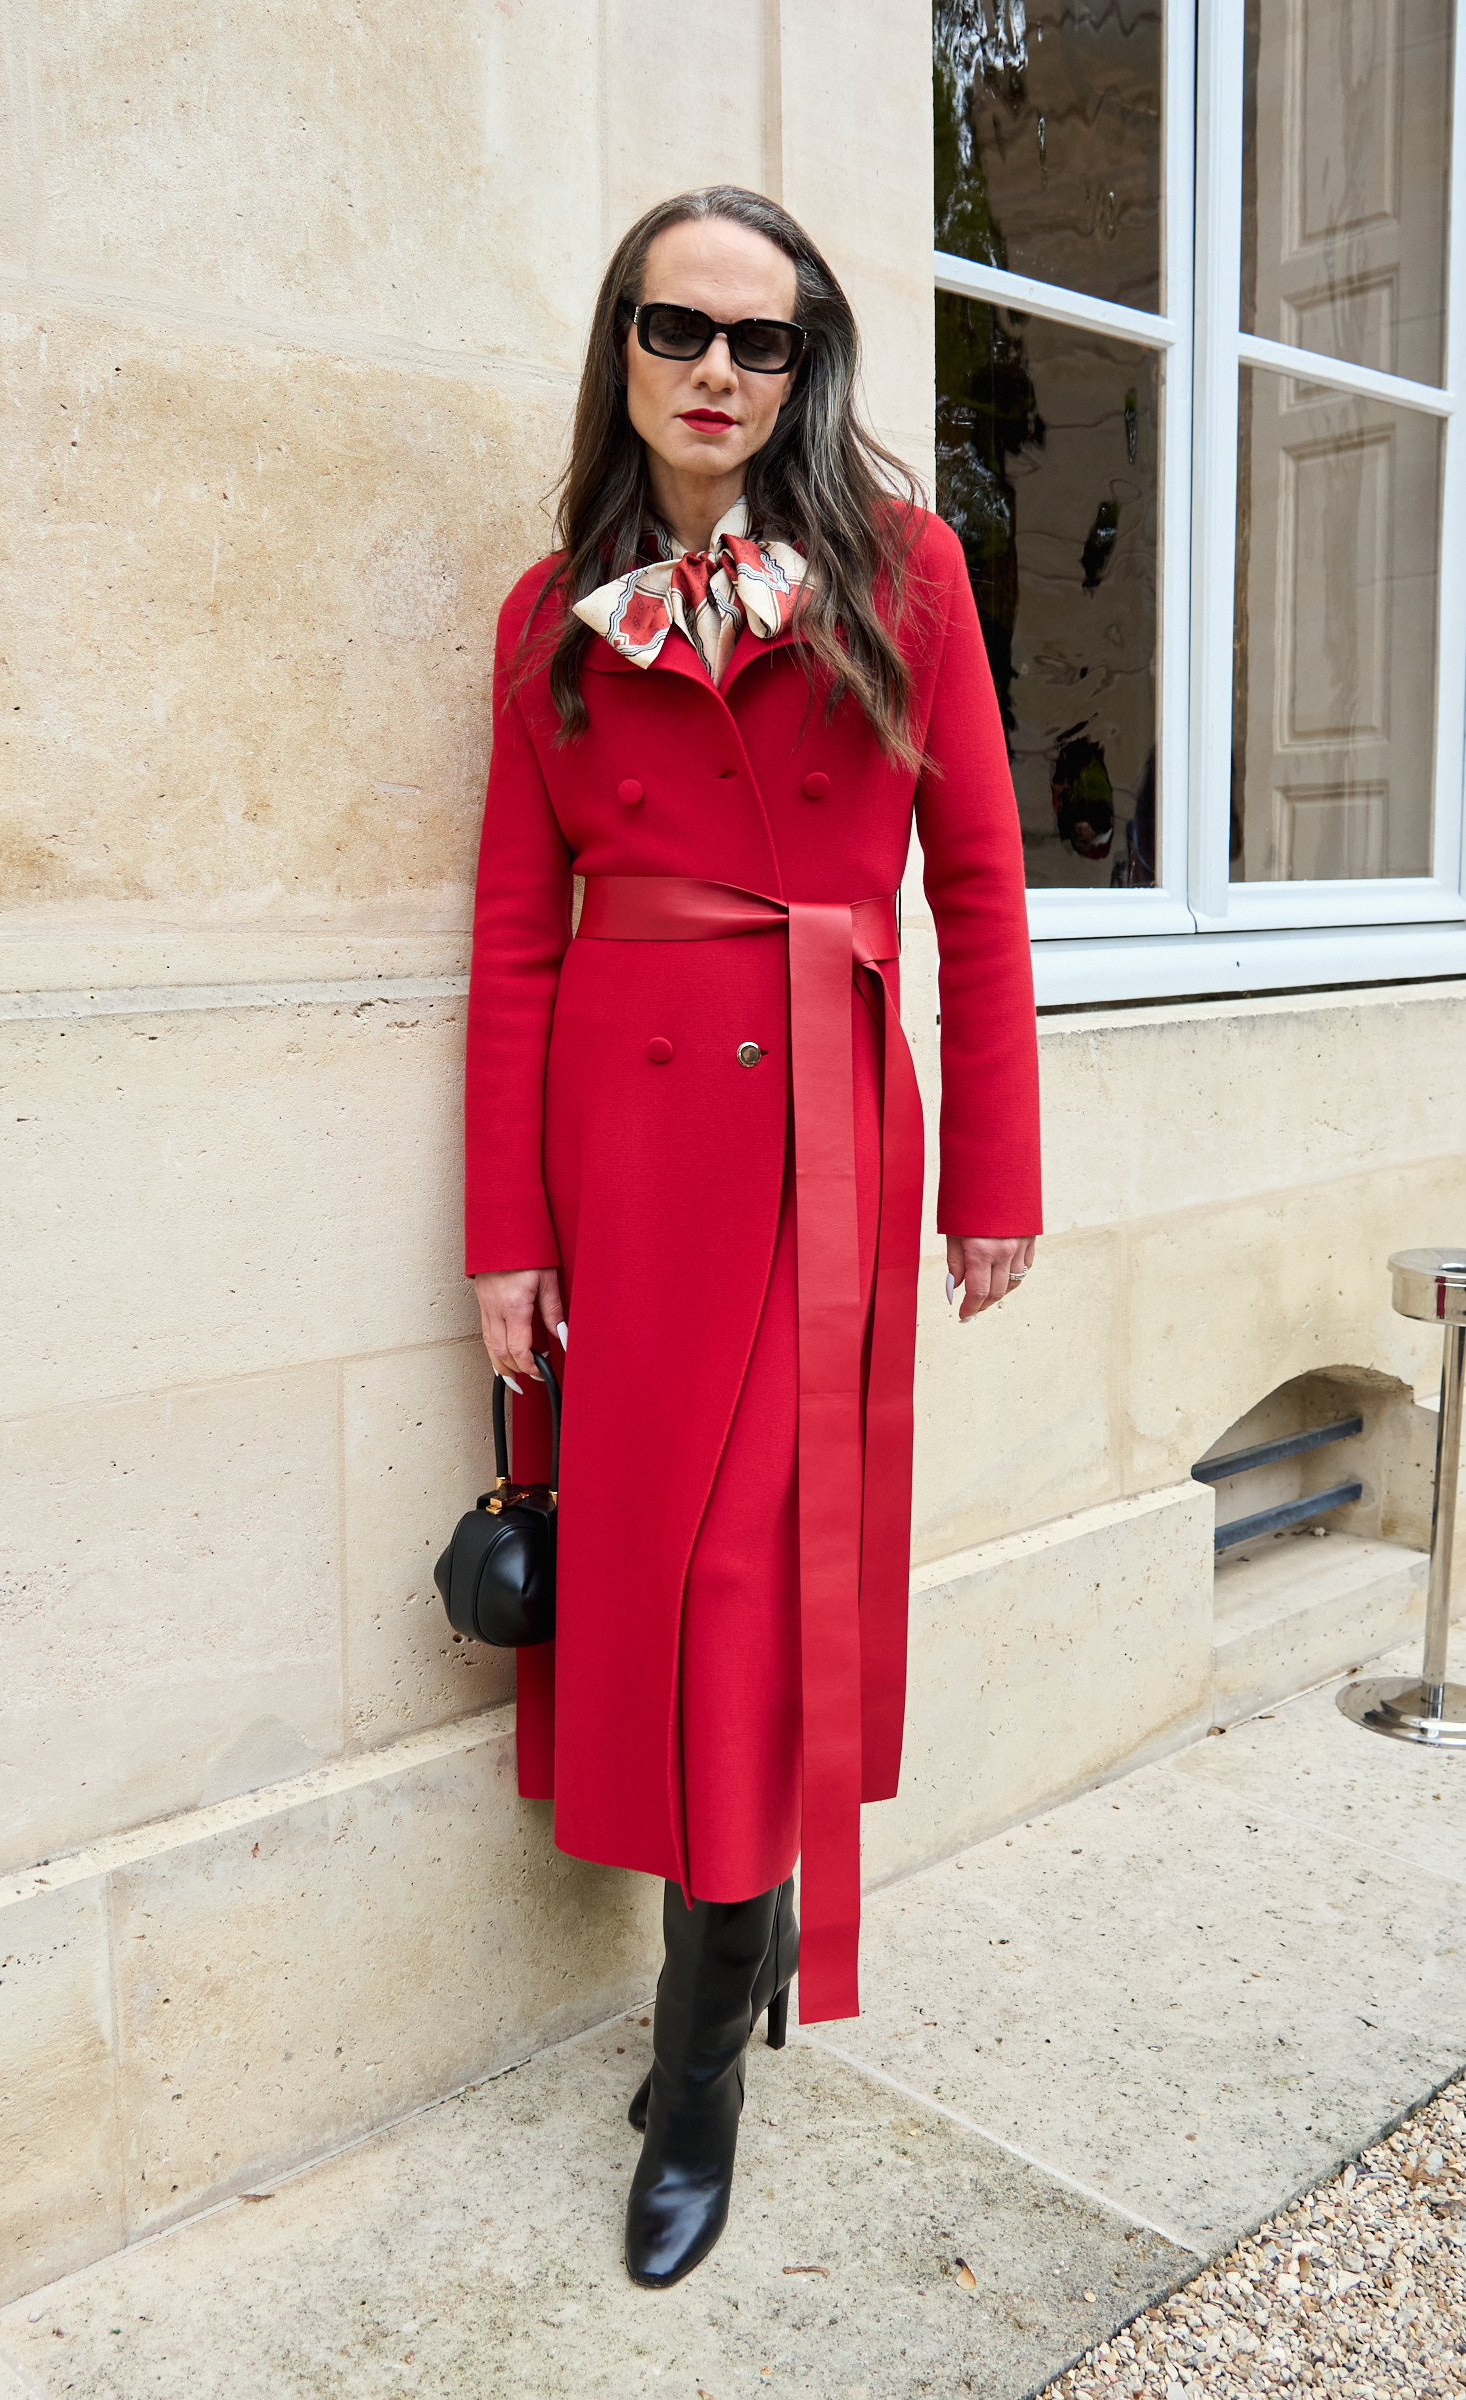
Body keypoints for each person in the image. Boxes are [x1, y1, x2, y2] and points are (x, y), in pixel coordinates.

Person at [463, 185, 1041, 2291]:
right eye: (673, 326)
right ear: (621, 348)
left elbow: (977, 882)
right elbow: (515, 934)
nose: (716, 368)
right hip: (619, 1163)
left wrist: (995, 1169)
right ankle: (747, 1945)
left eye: (762, 337)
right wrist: (503, 1230)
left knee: (741, 1590)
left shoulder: (907, 571)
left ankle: (695, 2065)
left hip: (819, 1147)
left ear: (811, 367)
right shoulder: (548, 614)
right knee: (650, 1590)